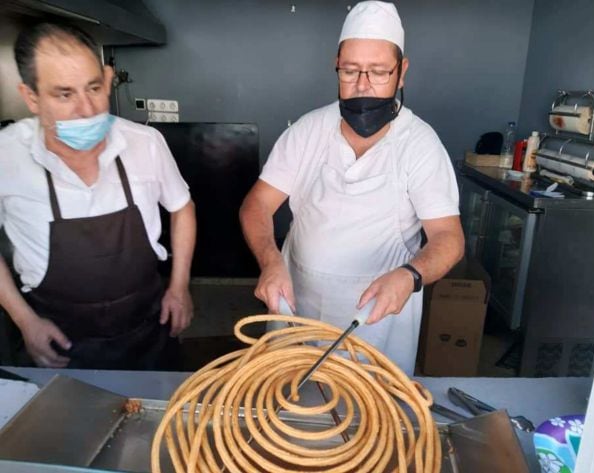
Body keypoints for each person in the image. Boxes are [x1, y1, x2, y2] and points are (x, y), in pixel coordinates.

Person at [240, 1, 464, 375]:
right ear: (336, 66)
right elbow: (257, 205)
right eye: (350, 71)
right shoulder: (307, 131)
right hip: (296, 307)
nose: (363, 85)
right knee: (287, 412)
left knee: (370, 419)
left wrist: (410, 276)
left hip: (377, 324)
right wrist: (270, 261)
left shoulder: (420, 145)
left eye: (378, 72)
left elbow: (448, 238)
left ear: (401, 72)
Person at [0, 23, 196, 369]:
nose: (87, 109)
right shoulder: (6, 156)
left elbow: (182, 207)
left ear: (106, 80)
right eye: (65, 94)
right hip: (57, 342)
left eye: (93, 88)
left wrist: (179, 287)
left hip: (147, 332)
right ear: (31, 97)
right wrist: (24, 320)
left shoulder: (144, 144)